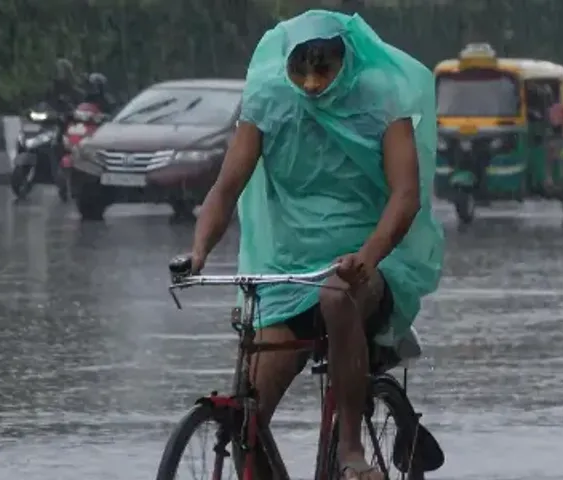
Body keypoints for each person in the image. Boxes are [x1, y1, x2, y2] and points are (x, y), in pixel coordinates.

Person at [187, 10, 444, 480]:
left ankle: (350, 449)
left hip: (368, 265)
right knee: (247, 420)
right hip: (287, 270)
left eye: (323, 68)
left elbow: (406, 196)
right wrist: (198, 252)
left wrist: (366, 259)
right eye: (300, 70)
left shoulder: (382, 98)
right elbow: (226, 189)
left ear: (345, 59)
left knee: (336, 295)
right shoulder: (267, 102)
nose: (311, 83)